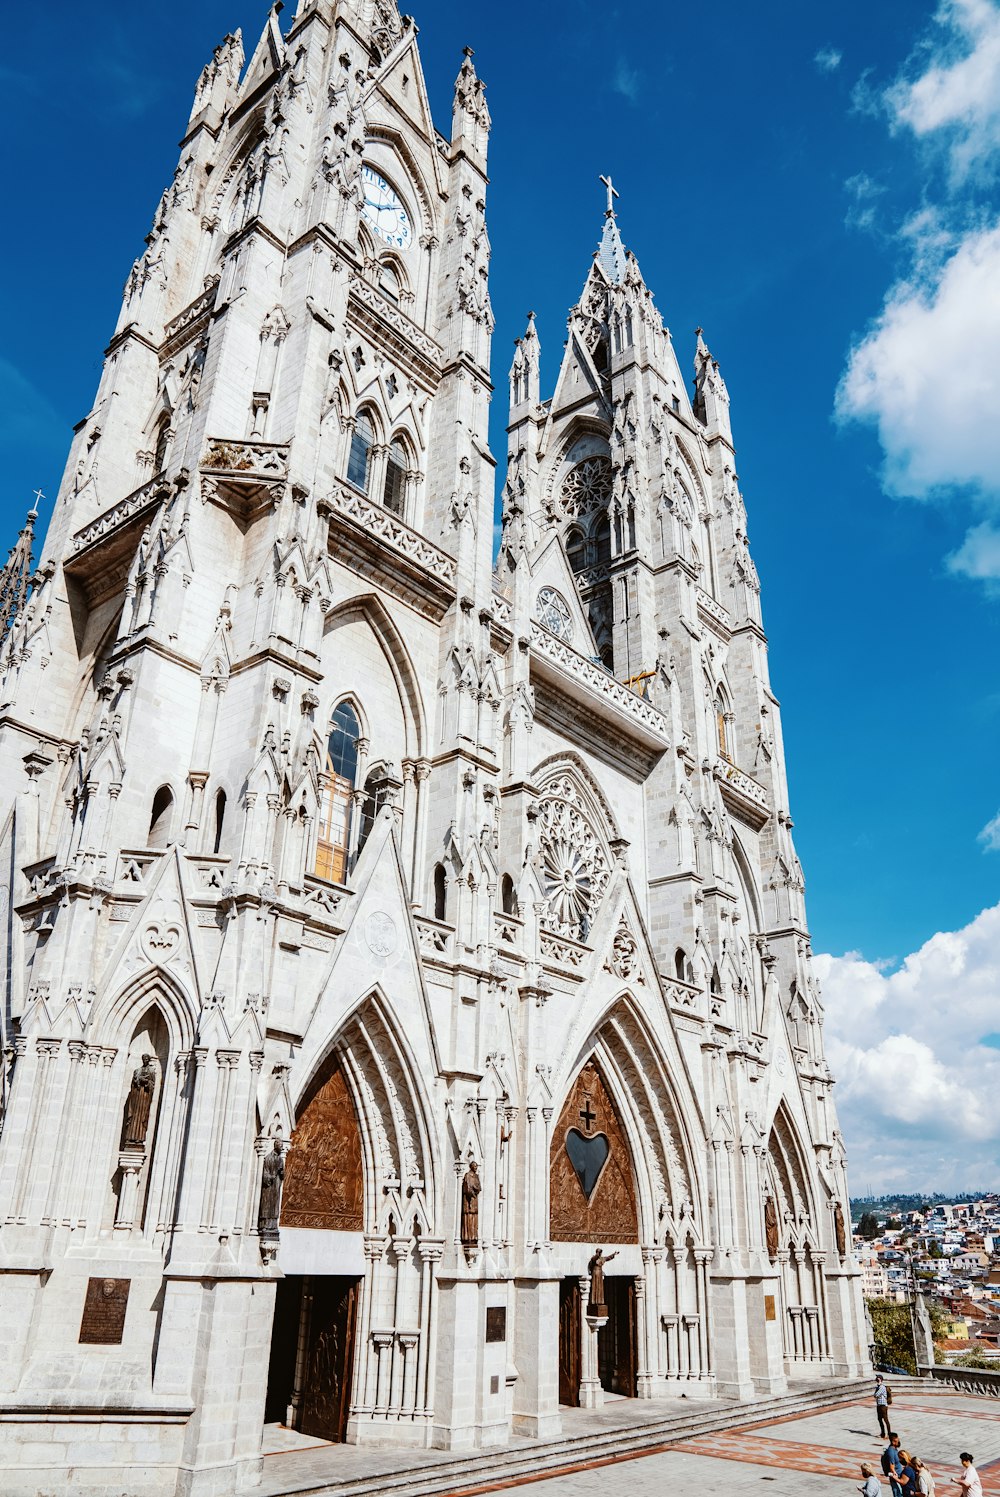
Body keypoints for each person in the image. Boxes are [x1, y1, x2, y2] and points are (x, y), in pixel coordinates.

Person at [875, 1373, 892, 1438]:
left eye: (878, 1378)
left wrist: (879, 1385)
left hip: (883, 1406)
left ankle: (889, 1433)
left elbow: (876, 1395)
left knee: (885, 1420)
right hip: (879, 1405)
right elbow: (875, 1394)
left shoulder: (882, 1387)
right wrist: (878, 1386)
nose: (876, 1379)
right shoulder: (878, 1387)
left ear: (880, 1379)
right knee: (879, 1419)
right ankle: (882, 1433)